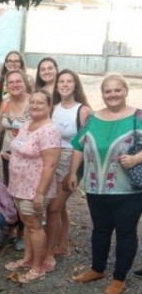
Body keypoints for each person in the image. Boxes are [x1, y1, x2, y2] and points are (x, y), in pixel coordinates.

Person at [67, 74, 142, 294]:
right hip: (95, 187)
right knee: (100, 229)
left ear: (126, 91)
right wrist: (72, 173)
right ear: (102, 94)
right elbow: (78, 146)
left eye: (117, 90)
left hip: (128, 189)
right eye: (108, 91)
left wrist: (137, 159)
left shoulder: (137, 117)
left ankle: (119, 277)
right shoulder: (93, 118)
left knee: (126, 232)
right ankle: (97, 268)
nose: (112, 94)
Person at [4, 90, 61, 284]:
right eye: (33, 102)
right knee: (28, 224)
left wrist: (40, 193)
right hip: (19, 185)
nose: (35, 106)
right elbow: (22, 147)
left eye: (40, 103)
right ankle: (28, 259)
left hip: (34, 188)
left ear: (49, 106)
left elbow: (50, 165)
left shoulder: (49, 130)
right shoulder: (27, 124)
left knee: (35, 226)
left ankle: (38, 267)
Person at [44, 69, 92, 271]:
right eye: (61, 81)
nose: (64, 84)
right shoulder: (53, 107)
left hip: (72, 162)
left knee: (53, 207)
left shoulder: (83, 111)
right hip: (53, 160)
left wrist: (73, 172)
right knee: (60, 206)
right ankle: (63, 246)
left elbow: (85, 145)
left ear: (75, 85)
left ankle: (49, 248)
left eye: (69, 81)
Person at [0, 70, 31, 251]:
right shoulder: (5, 102)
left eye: (18, 81)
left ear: (24, 83)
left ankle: (23, 232)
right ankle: (11, 228)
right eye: (11, 82)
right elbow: (0, 128)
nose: (15, 85)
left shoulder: (33, 101)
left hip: (28, 158)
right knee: (10, 192)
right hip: (8, 154)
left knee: (24, 195)